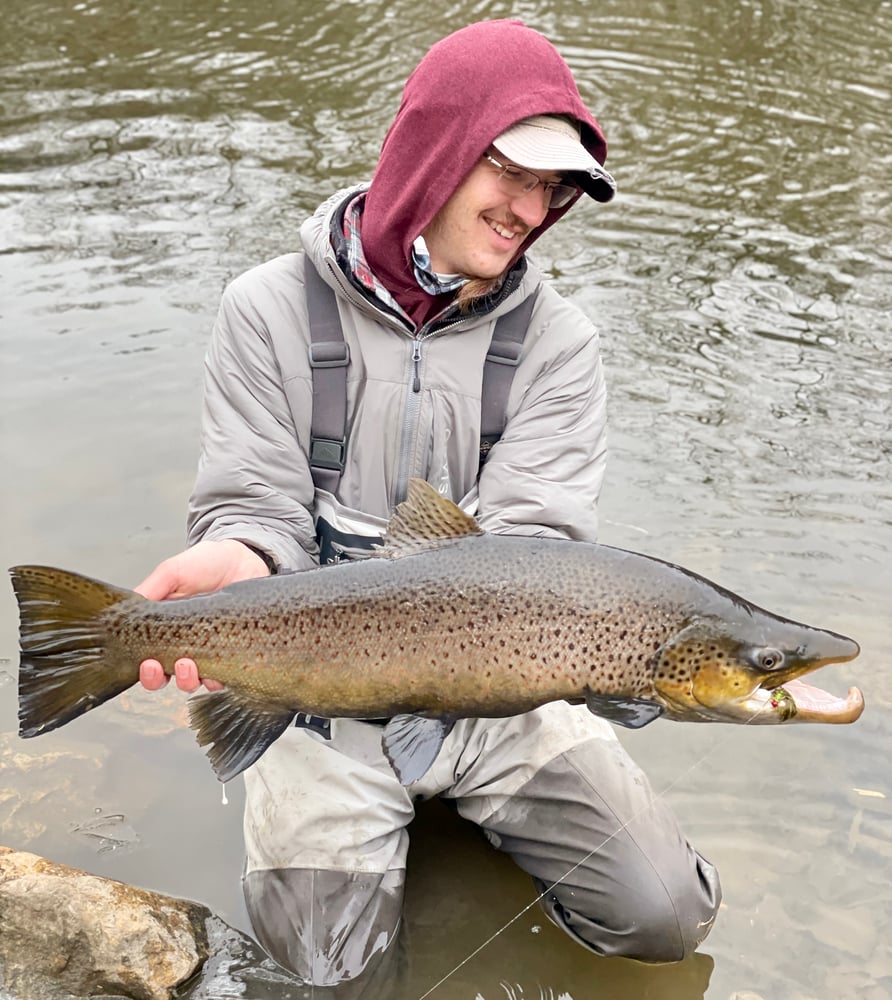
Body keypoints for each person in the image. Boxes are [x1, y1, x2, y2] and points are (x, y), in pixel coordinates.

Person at [137, 18, 721, 989]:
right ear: (436, 146)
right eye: (510, 171)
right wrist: (240, 554)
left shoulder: (559, 345)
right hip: (315, 696)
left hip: (506, 687)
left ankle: (456, 809)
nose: (529, 209)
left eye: (551, 187)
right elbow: (256, 506)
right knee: (332, 978)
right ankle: (422, 836)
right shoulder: (267, 311)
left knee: (666, 914)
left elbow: (535, 556)